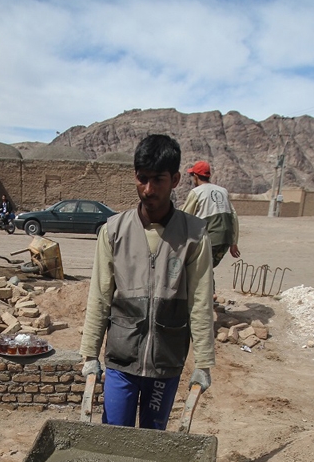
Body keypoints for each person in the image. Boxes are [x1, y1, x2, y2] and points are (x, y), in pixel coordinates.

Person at [79, 134, 215, 429]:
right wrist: (90, 353)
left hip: (165, 362)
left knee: (153, 437)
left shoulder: (193, 235)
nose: (149, 189)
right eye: (142, 179)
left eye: (158, 180)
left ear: (176, 179)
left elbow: (200, 300)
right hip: (121, 360)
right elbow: (100, 295)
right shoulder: (114, 231)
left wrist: (203, 362)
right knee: (114, 434)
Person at [180, 160, 240, 267]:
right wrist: (234, 243)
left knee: (194, 269)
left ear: (195, 176)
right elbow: (233, 217)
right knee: (207, 268)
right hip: (225, 239)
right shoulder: (223, 191)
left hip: (210, 239)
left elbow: (185, 217)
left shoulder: (197, 192)